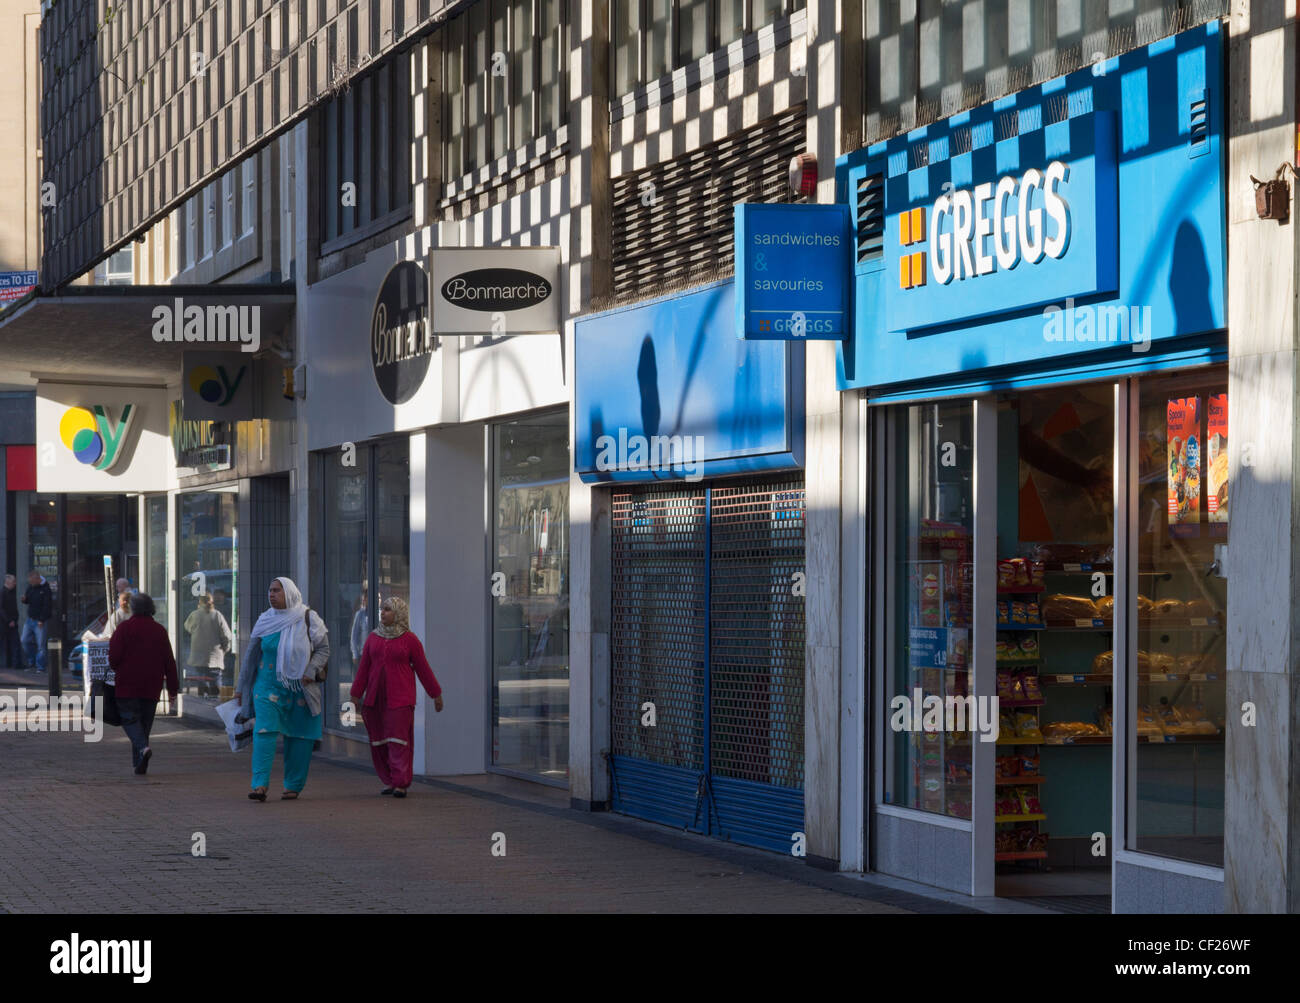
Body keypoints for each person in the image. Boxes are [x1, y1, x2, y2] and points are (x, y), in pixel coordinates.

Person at [235, 577, 329, 801]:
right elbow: (250, 658)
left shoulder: (309, 618)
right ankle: (259, 786)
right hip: (267, 687)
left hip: (301, 689)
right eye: (270, 590)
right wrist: (241, 689)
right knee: (264, 731)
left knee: (300, 736)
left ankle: (293, 786)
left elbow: (324, 649)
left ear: (290, 593)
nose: (271, 594)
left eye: (277, 590)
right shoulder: (265, 620)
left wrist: (310, 671)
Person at [351, 597, 443, 798]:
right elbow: (363, 669)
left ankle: (401, 782)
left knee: (398, 740)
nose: (382, 613)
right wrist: (355, 695)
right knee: (379, 740)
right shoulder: (373, 638)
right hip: (375, 700)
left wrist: (435, 694)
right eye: (382, 610)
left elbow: (423, 669)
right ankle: (390, 780)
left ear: (399, 613)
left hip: (400, 699)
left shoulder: (410, 640)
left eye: (388, 610)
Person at [107, 592, 179, 775]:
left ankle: (142, 750)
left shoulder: (124, 629)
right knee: (144, 725)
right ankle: (139, 764)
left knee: (130, 719)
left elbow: (113, 658)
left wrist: (118, 667)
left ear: (133, 608)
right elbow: (169, 661)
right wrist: (173, 689)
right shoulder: (160, 630)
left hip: (127, 684)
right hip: (151, 686)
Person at [183, 593, 232, 696]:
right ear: (212, 602)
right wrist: (225, 649)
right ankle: (214, 702)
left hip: (198, 656)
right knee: (215, 681)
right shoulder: (217, 615)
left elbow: (187, 627)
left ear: (199, 603)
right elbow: (227, 635)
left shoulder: (194, 614)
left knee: (201, 680)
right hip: (215, 656)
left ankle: (201, 702)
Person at [20, 570, 53, 673]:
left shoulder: (46, 589)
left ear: (37, 579)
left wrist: (42, 619)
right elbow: (28, 599)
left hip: (39, 621)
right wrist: (24, 600)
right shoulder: (31, 587)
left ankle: (40, 667)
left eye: (32, 581)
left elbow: (47, 606)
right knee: (24, 640)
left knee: (40, 645)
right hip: (30, 619)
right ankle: (31, 662)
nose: (31, 583)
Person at [1, 574, 19, 669]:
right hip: (4, 623)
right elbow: (1, 609)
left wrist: (15, 619)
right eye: (13, 582)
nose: (15, 584)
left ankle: (15, 664)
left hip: (12, 622)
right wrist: (8, 621)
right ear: (8, 582)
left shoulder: (12, 592)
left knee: (15, 642)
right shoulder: (2, 593)